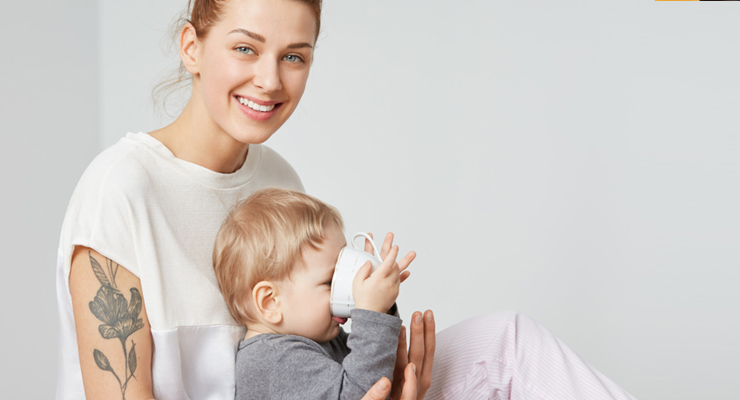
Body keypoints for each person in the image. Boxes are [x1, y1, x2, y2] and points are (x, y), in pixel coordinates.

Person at [55, 0, 637, 399]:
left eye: (294, 56)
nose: (269, 80)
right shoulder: (122, 189)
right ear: (191, 46)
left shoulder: (275, 178)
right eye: (245, 48)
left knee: (506, 344)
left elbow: (318, 345)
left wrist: (382, 356)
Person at [212, 188, 416, 399]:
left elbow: (374, 369)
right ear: (270, 302)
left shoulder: (317, 337)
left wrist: (381, 303)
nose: (348, 289)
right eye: (330, 282)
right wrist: (373, 314)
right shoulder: (274, 359)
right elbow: (362, 394)